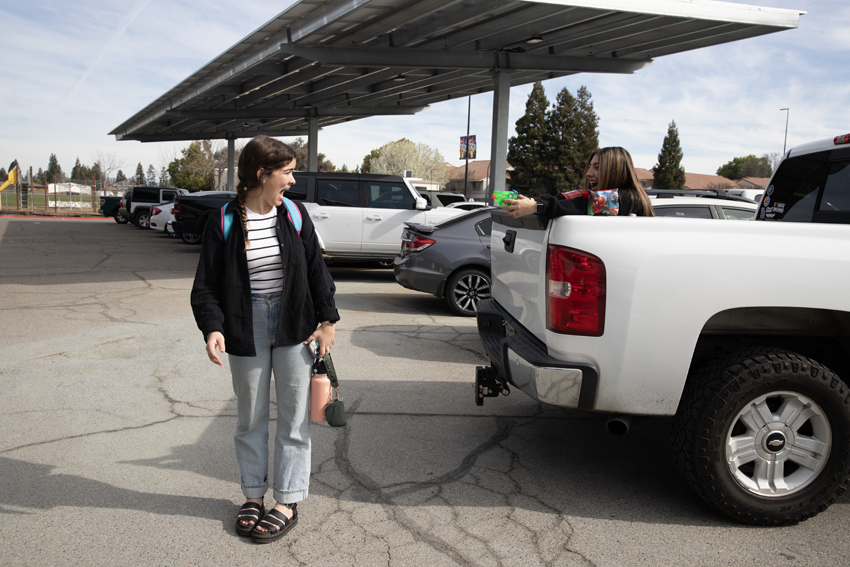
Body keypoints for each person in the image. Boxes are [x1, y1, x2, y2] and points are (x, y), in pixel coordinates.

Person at [190, 135, 339, 544]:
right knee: (250, 417)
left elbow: (315, 269)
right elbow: (206, 285)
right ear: (262, 173)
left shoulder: (293, 214)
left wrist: (327, 320)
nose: (292, 181)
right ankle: (253, 497)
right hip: (245, 321)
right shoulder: (222, 221)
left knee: (293, 418)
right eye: (287, 172)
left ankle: (288, 501)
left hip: (295, 321)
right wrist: (213, 326)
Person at [504, 146, 655, 219]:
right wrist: (529, 202)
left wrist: (536, 206)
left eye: (597, 167)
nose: (589, 173)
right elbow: (564, 199)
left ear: (615, 171)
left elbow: (582, 205)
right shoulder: (595, 197)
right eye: (589, 167)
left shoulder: (630, 198)